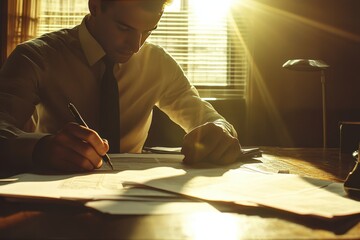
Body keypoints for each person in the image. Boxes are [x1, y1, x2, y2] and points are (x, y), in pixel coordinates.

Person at [0, 0, 242, 172]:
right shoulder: (36, 57)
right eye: (124, 28)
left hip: (133, 198)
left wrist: (220, 131)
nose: (135, 46)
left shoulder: (157, 62)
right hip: (53, 195)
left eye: (148, 31)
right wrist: (42, 148)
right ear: (94, 7)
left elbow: (208, 118)